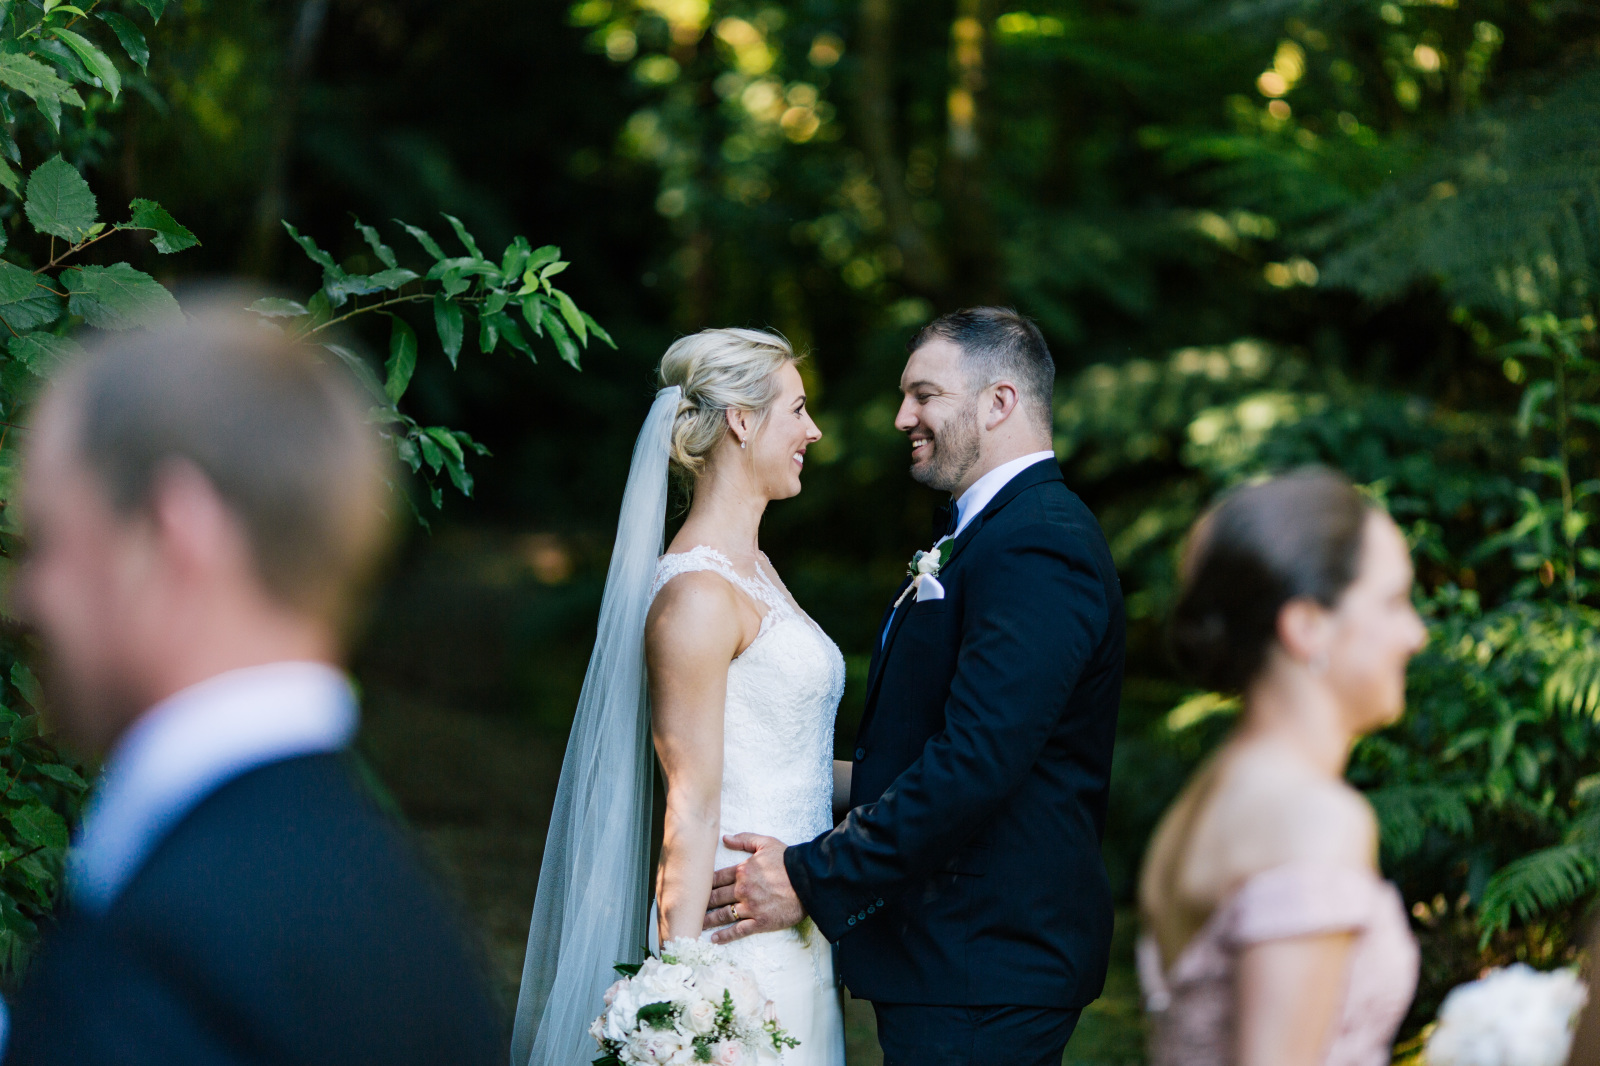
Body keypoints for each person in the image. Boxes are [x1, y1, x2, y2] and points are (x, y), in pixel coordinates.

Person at [2, 309, 503, 1066]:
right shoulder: (397, 908)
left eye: (45, 542)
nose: (22, 599)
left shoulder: (171, 954)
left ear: (173, 534)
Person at [703, 307, 1126, 1066]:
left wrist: (810, 877)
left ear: (999, 402)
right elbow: (929, 746)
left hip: (986, 963)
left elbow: (976, 762)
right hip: (958, 962)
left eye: (924, 395)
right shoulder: (988, 533)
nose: (903, 417)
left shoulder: (1038, 542)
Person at [513, 328, 845, 1066]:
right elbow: (690, 806)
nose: (813, 431)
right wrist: (684, 996)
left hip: (799, 929)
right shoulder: (697, 593)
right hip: (739, 949)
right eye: (797, 410)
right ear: (742, 421)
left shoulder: (756, 569)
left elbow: (784, 755)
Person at [1136, 468, 1425, 1066]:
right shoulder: (1313, 819)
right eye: (1394, 602)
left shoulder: (1208, 794)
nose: (1415, 635)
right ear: (1306, 626)